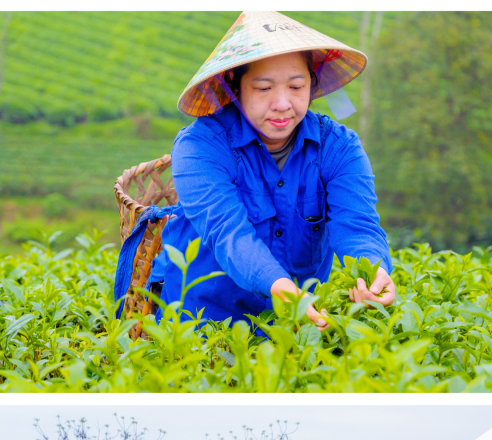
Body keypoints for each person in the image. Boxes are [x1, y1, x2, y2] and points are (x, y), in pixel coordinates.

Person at [151, 11, 394, 329]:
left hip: (294, 324)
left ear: (312, 84)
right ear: (235, 89)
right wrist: (278, 286)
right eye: (264, 89)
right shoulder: (200, 147)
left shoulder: (339, 148)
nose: (282, 103)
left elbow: (358, 227)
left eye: (296, 86)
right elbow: (228, 234)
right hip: (201, 320)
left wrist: (373, 270)